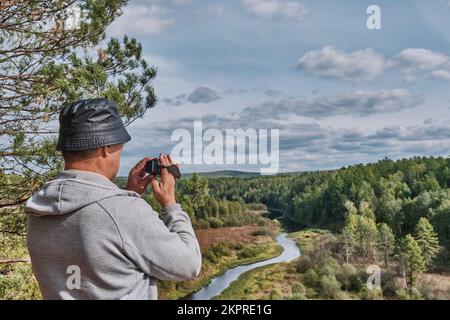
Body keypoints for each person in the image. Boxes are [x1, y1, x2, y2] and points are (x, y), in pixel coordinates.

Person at [25, 98, 201, 300]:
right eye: (120, 146)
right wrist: (171, 205)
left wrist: (127, 192)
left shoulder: (39, 209)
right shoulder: (123, 212)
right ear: (106, 147)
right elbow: (189, 265)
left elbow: (92, 259)